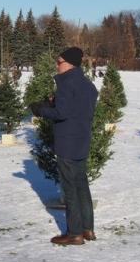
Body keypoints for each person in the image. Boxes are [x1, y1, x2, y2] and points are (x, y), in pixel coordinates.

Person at [30, 47, 98, 245]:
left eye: (58, 62)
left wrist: (41, 109)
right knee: (81, 186)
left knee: (70, 189)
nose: (56, 65)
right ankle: (88, 229)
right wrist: (56, 102)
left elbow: (62, 113)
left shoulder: (67, 83)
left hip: (68, 143)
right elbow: (77, 107)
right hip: (82, 140)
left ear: (68, 63)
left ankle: (74, 233)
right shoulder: (87, 84)